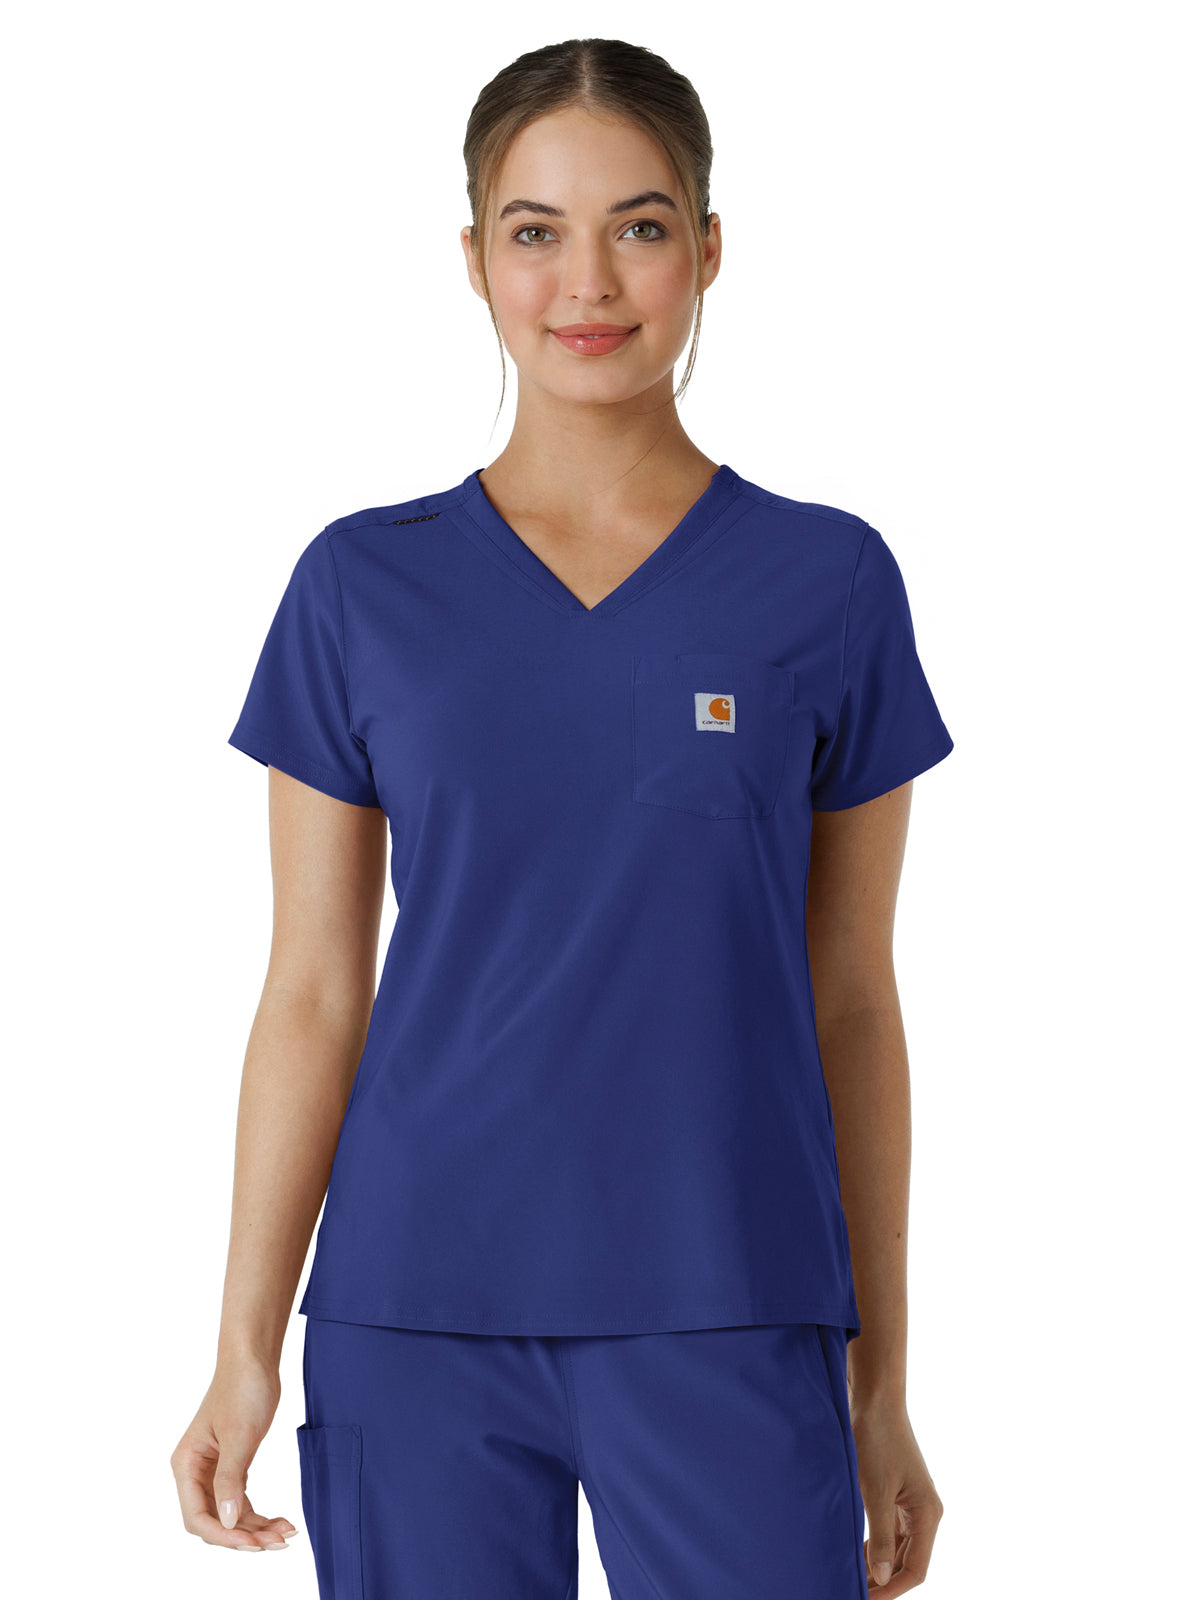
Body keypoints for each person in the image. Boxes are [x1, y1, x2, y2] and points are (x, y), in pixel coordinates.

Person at [171, 36, 953, 1599]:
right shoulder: (361, 587)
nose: (588, 281)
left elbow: (853, 1001)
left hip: (733, 1297)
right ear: (475, 258)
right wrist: (243, 1346)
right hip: (415, 1308)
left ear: (708, 248)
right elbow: (313, 990)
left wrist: (880, 1385)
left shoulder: (827, 582)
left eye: (639, 226)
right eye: (536, 231)